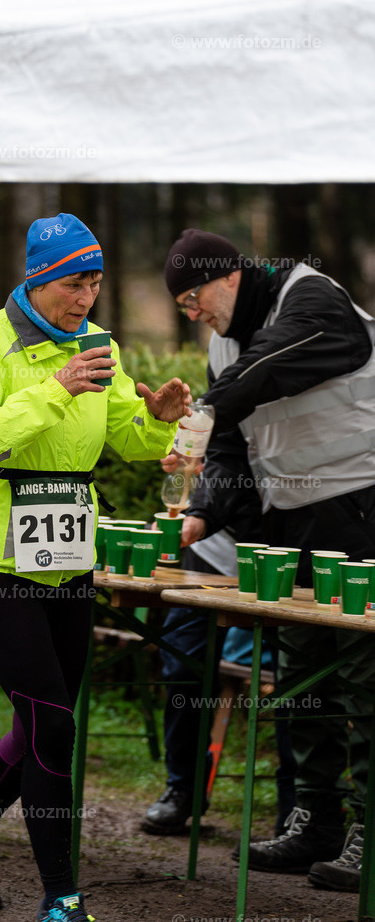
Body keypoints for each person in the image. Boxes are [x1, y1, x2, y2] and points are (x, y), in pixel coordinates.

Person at [0, 213, 192, 922]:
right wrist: (55, 389)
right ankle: (62, 897)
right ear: (40, 280)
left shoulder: (98, 344)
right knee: (52, 724)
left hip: (65, 554)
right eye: (74, 284)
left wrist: (158, 420)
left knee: (47, 722)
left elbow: (123, 439)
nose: (86, 300)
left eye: (96, 285)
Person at [162, 227, 375, 893]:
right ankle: (312, 820)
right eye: (179, 305)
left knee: (365, 677)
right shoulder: (221, 347)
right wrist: (200, 511)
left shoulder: (310, 297)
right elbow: (229, 451)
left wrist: (202, 410)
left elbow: (273, 364)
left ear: (228, 275)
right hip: (289, 518)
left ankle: (371, 831)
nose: (190, 313)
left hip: (361, 508)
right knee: (301, 673)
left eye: (192, 297)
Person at [142, 435, 296, 837]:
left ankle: (296, 812)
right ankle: (182, 790)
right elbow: (199, 462)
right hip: (205, 558)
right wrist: (188, 462)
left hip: (278, 562)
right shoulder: (219, 398)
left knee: (294, 681)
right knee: (182, 671)